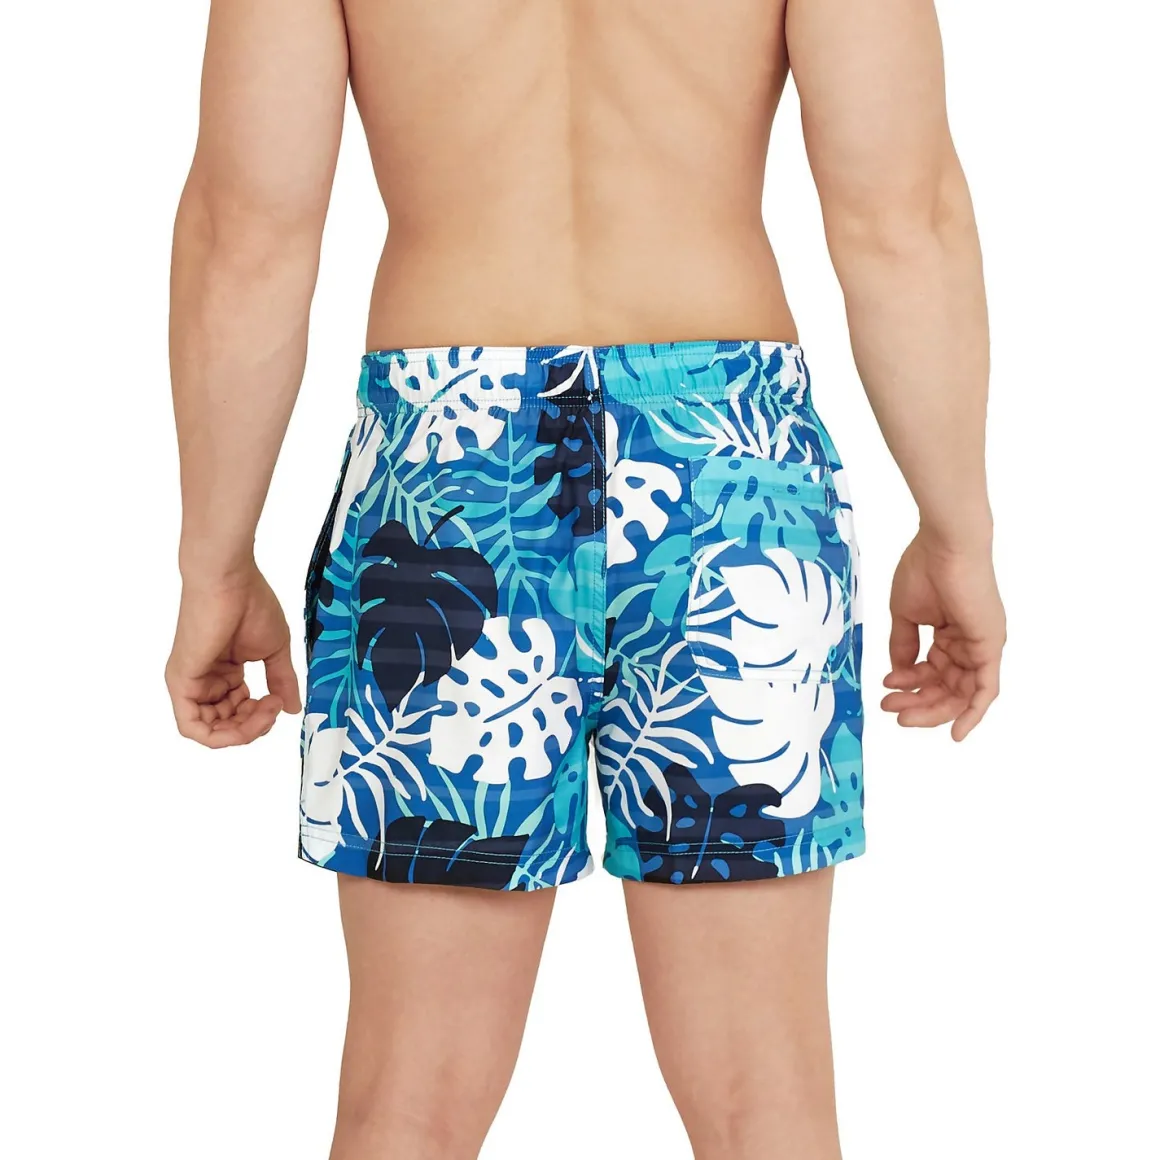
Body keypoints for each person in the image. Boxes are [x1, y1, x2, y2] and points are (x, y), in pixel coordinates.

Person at [165, 1, 1005, 1156]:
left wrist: (214, 559)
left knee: (409, 1094)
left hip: (450, 475)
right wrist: (956, 531)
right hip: (723, 470)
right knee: (761, 1092)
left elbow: (247, 235)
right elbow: (899, 218)